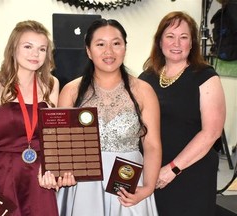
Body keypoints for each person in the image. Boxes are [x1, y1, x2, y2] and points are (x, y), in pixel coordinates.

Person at [0, 20, 75, 216]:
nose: (35, 54)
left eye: (42, 49)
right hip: (0, 180)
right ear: (13, 49)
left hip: (37, 185)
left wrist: (54, 169)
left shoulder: (51, 84)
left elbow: (51, 141)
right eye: (28, 46)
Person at [56, 18, 162, 216]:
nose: (109, 52)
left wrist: (147, 188)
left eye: (116, 43)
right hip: (83, 186)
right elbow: (62, 146)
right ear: (88, 51)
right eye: (100, 44)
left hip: (128, 185)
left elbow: (152, 145)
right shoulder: (71, 91)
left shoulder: (144, 91)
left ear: (124, 48)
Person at [139, 11, 226, 216]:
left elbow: (211, 133)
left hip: (190, 171)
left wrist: (173, 169)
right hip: (152, 171)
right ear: (160, 41)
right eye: (170, 36)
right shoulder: (146, 77)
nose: (176, 43)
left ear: (192, 43)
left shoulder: (206, 77)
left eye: (184, 37)